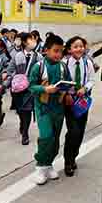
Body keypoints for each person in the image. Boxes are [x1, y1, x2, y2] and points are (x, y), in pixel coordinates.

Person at [28, 34, 71, 185]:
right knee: (46, 136)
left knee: (55, 139)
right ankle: (40, 166)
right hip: (43, 108)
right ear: (46, 50)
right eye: (55, 51)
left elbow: (68, 82)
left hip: (58, 108)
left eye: (61, 51)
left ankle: (49, 163)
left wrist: (68, 89)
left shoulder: (63, 66)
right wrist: (45, 89)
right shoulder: (38, 66)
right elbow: (30, 86)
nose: (58, 54)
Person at [62, 36, 96, 177]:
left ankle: (73, 156)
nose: (79, 49)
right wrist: (66, 93)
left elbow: (92, 79)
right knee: (73, 131)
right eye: (75, 46)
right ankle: (68, 161)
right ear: (70, 49)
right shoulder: (64, 63)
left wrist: (85, 88)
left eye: (81, 46)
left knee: (80, 131)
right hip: (69, 101)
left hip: (82, 102)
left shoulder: (87, 63)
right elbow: (61, 81)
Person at [10, 32, 41, 145]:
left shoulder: (38, 56)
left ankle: (25, 134)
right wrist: (9, 78)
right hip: (18, 88)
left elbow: (42, 71)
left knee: (27, 110)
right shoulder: (17, 56)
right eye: (31, 39)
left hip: (30, 89)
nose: (33, 41)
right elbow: (10, 69)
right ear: (24, 42)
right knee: (20, 111)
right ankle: (22, 123)